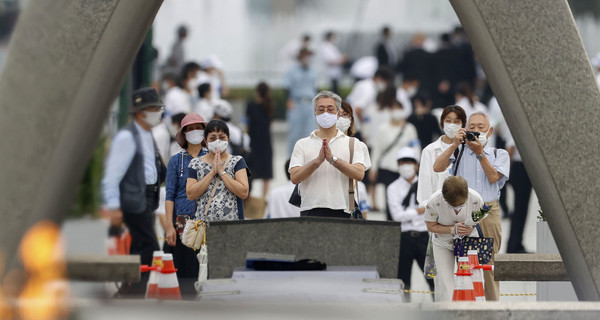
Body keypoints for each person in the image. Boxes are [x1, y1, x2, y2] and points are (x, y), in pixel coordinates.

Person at [433, 111, 510, 301]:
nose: (476, 132)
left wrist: (480, 154)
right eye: (472, 128)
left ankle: (492, 309)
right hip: (462, 211)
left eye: (481, 128)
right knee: (465, 264)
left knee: (489, 263)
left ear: (489, 131)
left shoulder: (498, 154)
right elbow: (438, 167)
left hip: (488, 210)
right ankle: (466, 307)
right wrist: (454, 144)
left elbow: (493, 177)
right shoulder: (459, 152)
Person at [102, 87, 166, 296]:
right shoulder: (127, 138)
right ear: (140, 112)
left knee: (139, 247)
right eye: (153, 108)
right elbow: (112, 175)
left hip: (148, 196)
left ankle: (129, 288)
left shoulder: (148, 135)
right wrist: (114, 207)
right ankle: (131, 292)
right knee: (150, 246)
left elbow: (153, 167)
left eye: (158, 108)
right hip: (134, 199)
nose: (157, 112)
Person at [289, 91, 371, 217]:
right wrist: (317, 162)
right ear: (315, 113)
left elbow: (359, 174)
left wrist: (334, 160)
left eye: (330, 109)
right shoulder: (302, 144)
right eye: (321, 109)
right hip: (310, 209)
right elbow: (294, 177)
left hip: (342, 209)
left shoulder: (353, 144)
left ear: (338, 113)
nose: (325, 113)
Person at [163, 113, 208, 297]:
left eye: (198, 127)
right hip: (183, 223)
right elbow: (169, 195)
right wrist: (169, 226)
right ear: (184, 133)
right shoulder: (176, 161)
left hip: (207, 221)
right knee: (185, 272)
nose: (194, 131)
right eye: (190, 128)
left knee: (205, 267)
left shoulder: (213, 158)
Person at [424, 176, 484, 302]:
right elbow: (430, 225)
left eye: (461, 205)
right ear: (445, 199)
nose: (457, 209)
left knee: (473, 280)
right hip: (442, 243)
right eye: (453, 206)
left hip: (468, 241)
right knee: (445, 283)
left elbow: (482, 214)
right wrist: (452, 229)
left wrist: (472, 226)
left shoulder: (476, 198)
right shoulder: (434, 202)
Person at [387, 147, 434, 301]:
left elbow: (433, 210)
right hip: (403, 238)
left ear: (416, 165)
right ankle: (405, 310)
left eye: (409, 161)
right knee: (402, 279)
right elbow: (397, 216)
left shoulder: (426, 185)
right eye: (402, 162)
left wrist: (416, 212)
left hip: (424, 238)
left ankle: (438, 305)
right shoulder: (393, 188)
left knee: (432, 276)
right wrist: (418, 211)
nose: (406, 165)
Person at [186, 119, 250, 221]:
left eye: (222, 137)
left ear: (228, 139)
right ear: (205, 141)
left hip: (232, 225)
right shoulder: (195, 163)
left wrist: (222, 172)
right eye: (212, 138)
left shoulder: (237, 161)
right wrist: (211, 173)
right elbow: (190, 194)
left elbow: (243, 192)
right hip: (204, 226)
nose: (217, 141)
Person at [370, 98, 421, 220]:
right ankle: (391, 223)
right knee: (390, 198)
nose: (396, 112)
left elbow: (416, 147)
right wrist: (373, 168)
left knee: (408, 196)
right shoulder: (383, 129)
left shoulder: (409, 128)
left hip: (406, 167)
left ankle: (406, 222)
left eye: (399, 109)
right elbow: (377, 149)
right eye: (394, 109)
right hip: (388, 167)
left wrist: (417, 162)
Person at [416, 105, 467, 208]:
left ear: (463, 125)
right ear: (442, 123)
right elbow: (425, 183)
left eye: (456, 121)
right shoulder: (429, 150)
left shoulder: (468, 149)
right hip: (438, 207)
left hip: (463, 207)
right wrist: (428, 207)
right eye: (448, 121)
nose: (452, 125)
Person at [337, 100, 371, 217]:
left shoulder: (358, 146)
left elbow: (358, 178)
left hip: (347, 203)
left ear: (351, 118)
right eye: (338, 114)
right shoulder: (320, 143)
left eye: (345, 114)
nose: (341, 118)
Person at [283, 47, 317, 155]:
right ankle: (291, 160)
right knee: (294, 134)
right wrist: (288, 100)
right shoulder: (292, 71)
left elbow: (315, 88)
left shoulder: (313, 72)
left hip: (310, 104)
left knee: (311, 133)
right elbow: (286, 87)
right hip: (296, 103)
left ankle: (309, 159)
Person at [246, 82, 274, 198]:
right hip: (266, 142)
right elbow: (271, 123)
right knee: (266, 173)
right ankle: (263, 197)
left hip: (253, 141)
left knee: (250, 170)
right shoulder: (269, 105)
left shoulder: (251, 105)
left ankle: (249, 196)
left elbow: (247, 123)